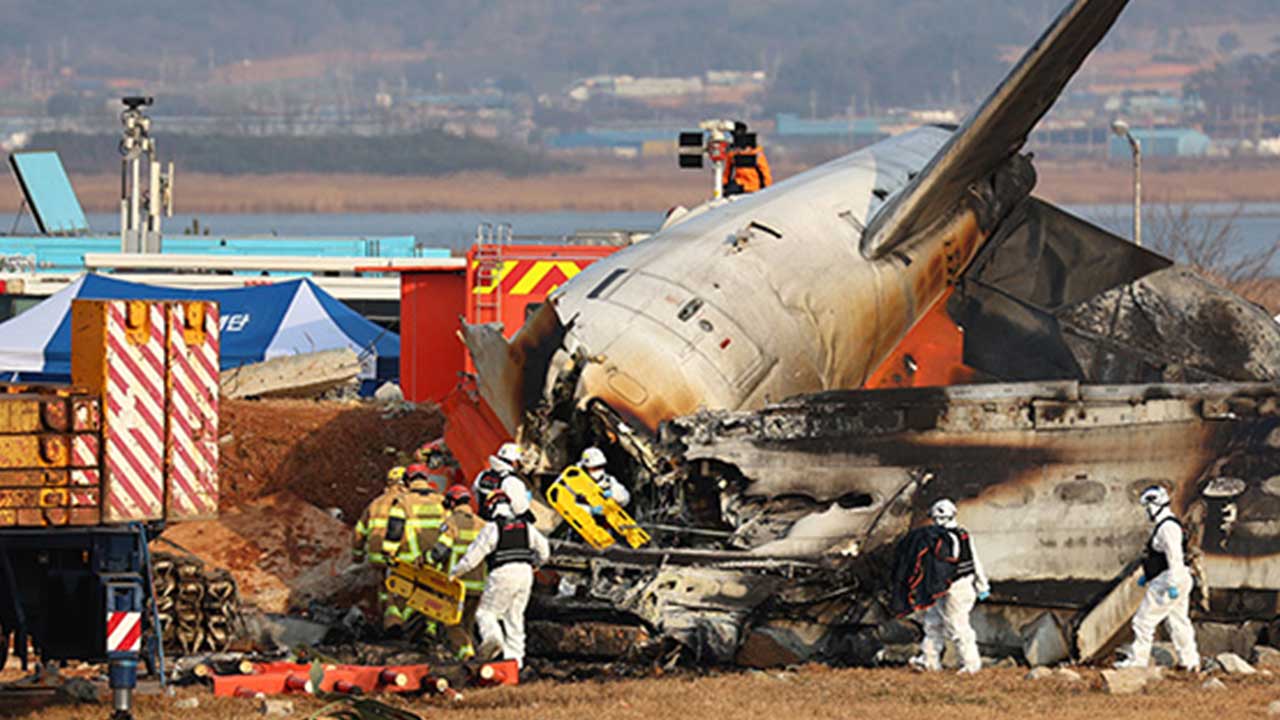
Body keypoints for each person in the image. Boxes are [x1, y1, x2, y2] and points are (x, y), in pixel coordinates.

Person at [449, 490, 550, 668]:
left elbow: (473, 557)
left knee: (486, 613)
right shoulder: (526, 526)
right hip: (525, 573)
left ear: (491, 506)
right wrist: (536, 564)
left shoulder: (493, 528)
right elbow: (544, 550)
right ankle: (515, 663)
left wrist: (454, 573)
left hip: (503, 572)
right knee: (515, 618)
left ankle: (493, 640)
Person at [1117, 485, 1200, 671]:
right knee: (1178, 622)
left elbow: (1174, 557)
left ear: (1155, 505)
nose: (1147, 512)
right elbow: (1160, 558)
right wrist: (1147, 577)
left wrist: (1172, 584)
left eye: (1148, 508)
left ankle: (1137, 663)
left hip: (1170, 580)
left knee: (1143, 621)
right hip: (1171, 578)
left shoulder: (1167, 528)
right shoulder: (1166, 525)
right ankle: (1190, 662)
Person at [910, 498, 990, 675]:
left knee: (956, 626)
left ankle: (971, 665)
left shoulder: (937, 538)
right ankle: (930, 661)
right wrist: (982, 584)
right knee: (934, 622)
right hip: (954, 585)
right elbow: (974, 561)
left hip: (953, 587)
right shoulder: (962, 535)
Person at [432, 485, 487, 660]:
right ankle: (472, 658)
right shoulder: (483, 525)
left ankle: (466, 655)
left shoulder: (452, 523)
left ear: (452, 502)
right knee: (467, 625)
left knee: (451, 623)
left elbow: (440, 551)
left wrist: (425, 559)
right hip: (478, 586)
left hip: (456, 586)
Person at [472, 442, 533, 521]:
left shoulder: (483, 475)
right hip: (503, 528)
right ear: (514, 462)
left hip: (483, 525)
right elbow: (520, 510)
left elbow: (475, 495)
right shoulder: (512, 482)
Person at [577, 446, 630, 521]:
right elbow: (569, 504)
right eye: (595, 468)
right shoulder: (577, 483)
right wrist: (590, 510)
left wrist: (613, 494)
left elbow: (625, 498)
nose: (599, 470)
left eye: (600, 466)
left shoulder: (608, 481)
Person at [722, 122, 772, 196]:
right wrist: (725, 185)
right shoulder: (733, 153)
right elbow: (727, 171)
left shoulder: (756, 152)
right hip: (739, 184)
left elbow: (765, 171)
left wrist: (767, 189)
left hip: (755, 186)